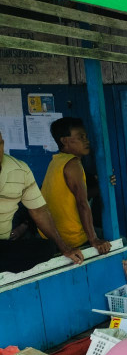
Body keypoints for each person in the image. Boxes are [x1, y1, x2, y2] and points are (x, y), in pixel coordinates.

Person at [0, 129, 83, 273]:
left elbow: (39, 211)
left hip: (4, 248)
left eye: (0, 143)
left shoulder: (20, 170)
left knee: (47, 248)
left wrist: (64, 248)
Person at [40, 117, 111, 254]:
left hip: (51, 235)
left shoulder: (56, 161)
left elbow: (74, 195)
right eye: (80, 137)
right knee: (121, 240)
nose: (86, 141)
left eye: (86, 137)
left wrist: (105, 184)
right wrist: (94, 239)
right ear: (64, 140)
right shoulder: (73, 163)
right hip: (71, 237)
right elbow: (82, 203)